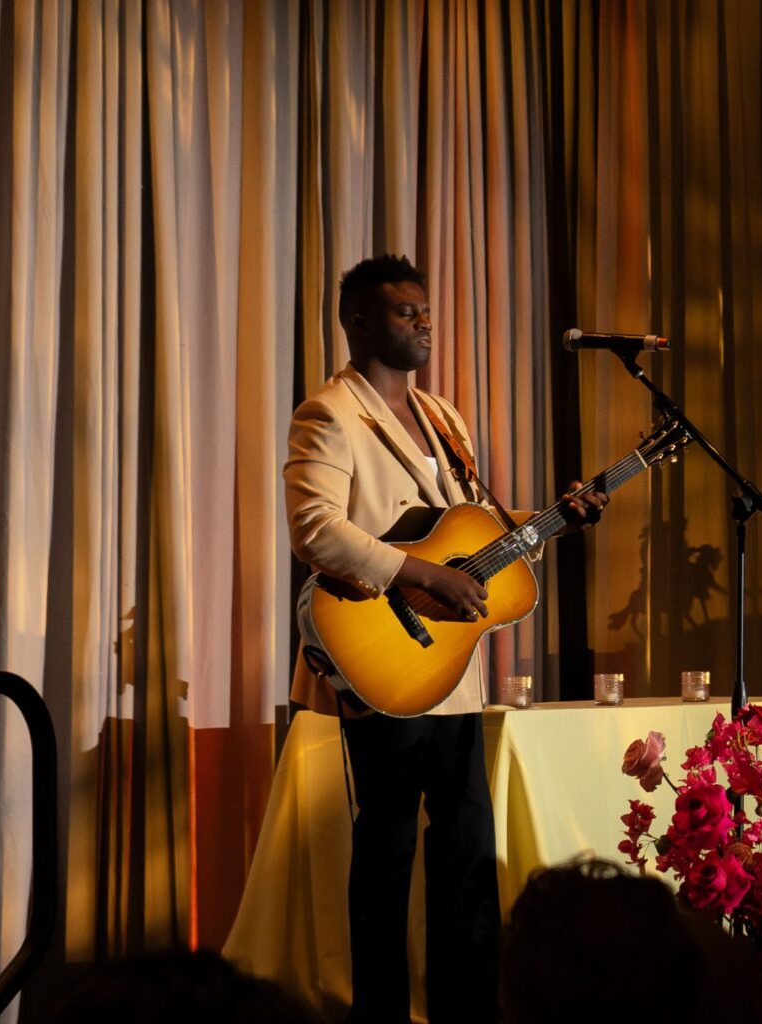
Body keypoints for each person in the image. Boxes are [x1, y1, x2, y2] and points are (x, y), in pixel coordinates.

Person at [283, 254, 607, 1023]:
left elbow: (465, 529)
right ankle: (381, 1012)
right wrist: (413, 577)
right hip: (383, 653)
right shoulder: (329, 414)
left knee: (466, 847)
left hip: (452, 665)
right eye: (405, 313)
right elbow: (315, 531)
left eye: (425, 312)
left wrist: (553, 515)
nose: (424, 323)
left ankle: (467, 1007)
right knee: (389, 843)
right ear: (358, 321)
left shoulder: (445, 417)